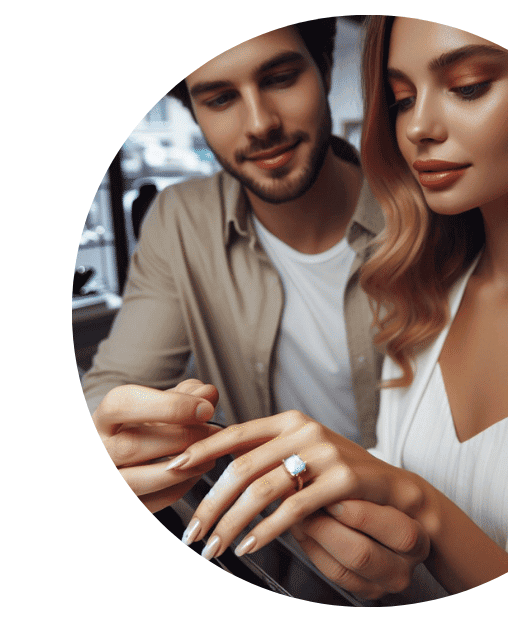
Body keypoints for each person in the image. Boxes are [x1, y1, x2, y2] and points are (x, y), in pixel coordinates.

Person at [165, 16, 508, 595]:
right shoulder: (427, 294)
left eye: (468, 85)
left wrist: (424, 512)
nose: (419, 127)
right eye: (402, 99)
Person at [81, 19, 428, 600]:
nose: (260, 122)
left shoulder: (423, 202)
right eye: (219, 98)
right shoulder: (179, 221)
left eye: (282, 77)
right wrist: (122, 433)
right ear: (193, 112)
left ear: (325, 68)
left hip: (433, 547)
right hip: (283, 573)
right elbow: (112, 390)